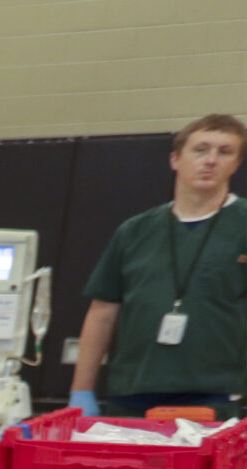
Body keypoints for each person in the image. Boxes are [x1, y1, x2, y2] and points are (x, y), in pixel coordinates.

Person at [70, 114, 247, 419]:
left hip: (214, 398)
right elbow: (102, 312)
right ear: (175, 159)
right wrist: (81, 391)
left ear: (237, 163)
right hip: (131, 395)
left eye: (224, 152)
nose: (211, 160)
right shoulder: (134, 231)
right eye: (201, 150)